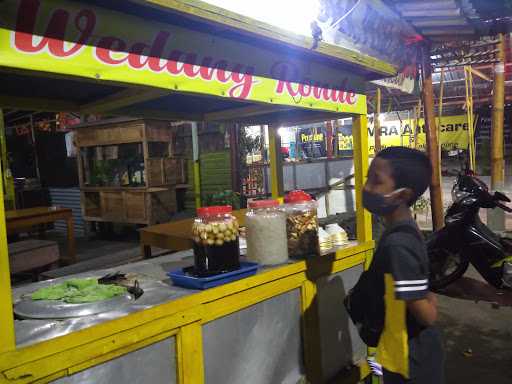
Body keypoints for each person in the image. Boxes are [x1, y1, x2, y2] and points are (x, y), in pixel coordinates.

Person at [363, 146, 444, 384]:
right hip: (402, 354)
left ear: (402, 194)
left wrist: (429, 299)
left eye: (375, 181)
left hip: (412, 362)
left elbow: (427, 316)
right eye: (368, 178)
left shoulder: (398, 244)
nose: (366, 188)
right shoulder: (406, 227)